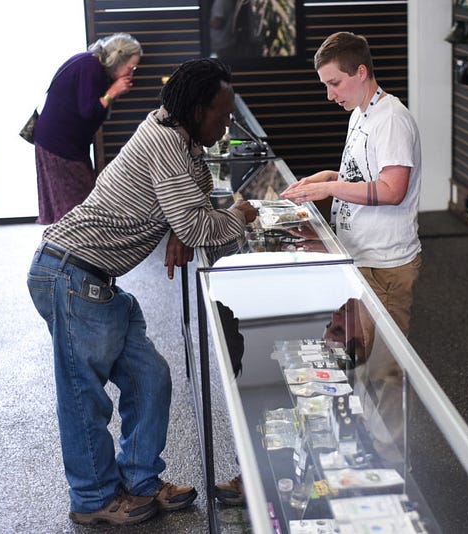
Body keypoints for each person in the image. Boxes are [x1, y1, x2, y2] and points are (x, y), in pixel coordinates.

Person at [26, 58, 258, 526]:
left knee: (150, 377)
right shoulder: (168, 142)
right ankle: (93, 499)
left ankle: (141, 481)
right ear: (196, 110)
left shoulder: (180, 136)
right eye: (222, 111)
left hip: (96, 281)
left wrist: (180, 228)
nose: (227, 121)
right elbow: (198, 220)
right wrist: (236, 215)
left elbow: (188, 205)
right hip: (71, 275)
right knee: (83, 396)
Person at [281, 31, 423, 336]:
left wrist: (331, 189)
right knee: (358, 357)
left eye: (335, 84)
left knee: (385, 368)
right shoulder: (359, 114)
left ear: (361, 72)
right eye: (326, 86)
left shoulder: (391, 120)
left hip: (384, 263)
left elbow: (392, 190)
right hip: (359, 254)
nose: (330, 95)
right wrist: (328, 178)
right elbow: (364, 177)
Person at [33, 32, 142, 225]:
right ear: (118, 59)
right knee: (75, 204)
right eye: (130, 68)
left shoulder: (90, 64)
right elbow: (89, 110)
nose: (131, 74)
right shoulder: (90, 67)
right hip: (58, 144)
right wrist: (112, 93)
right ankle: (70, 248)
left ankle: (72, 246)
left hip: (62, 141)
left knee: (75, 201)